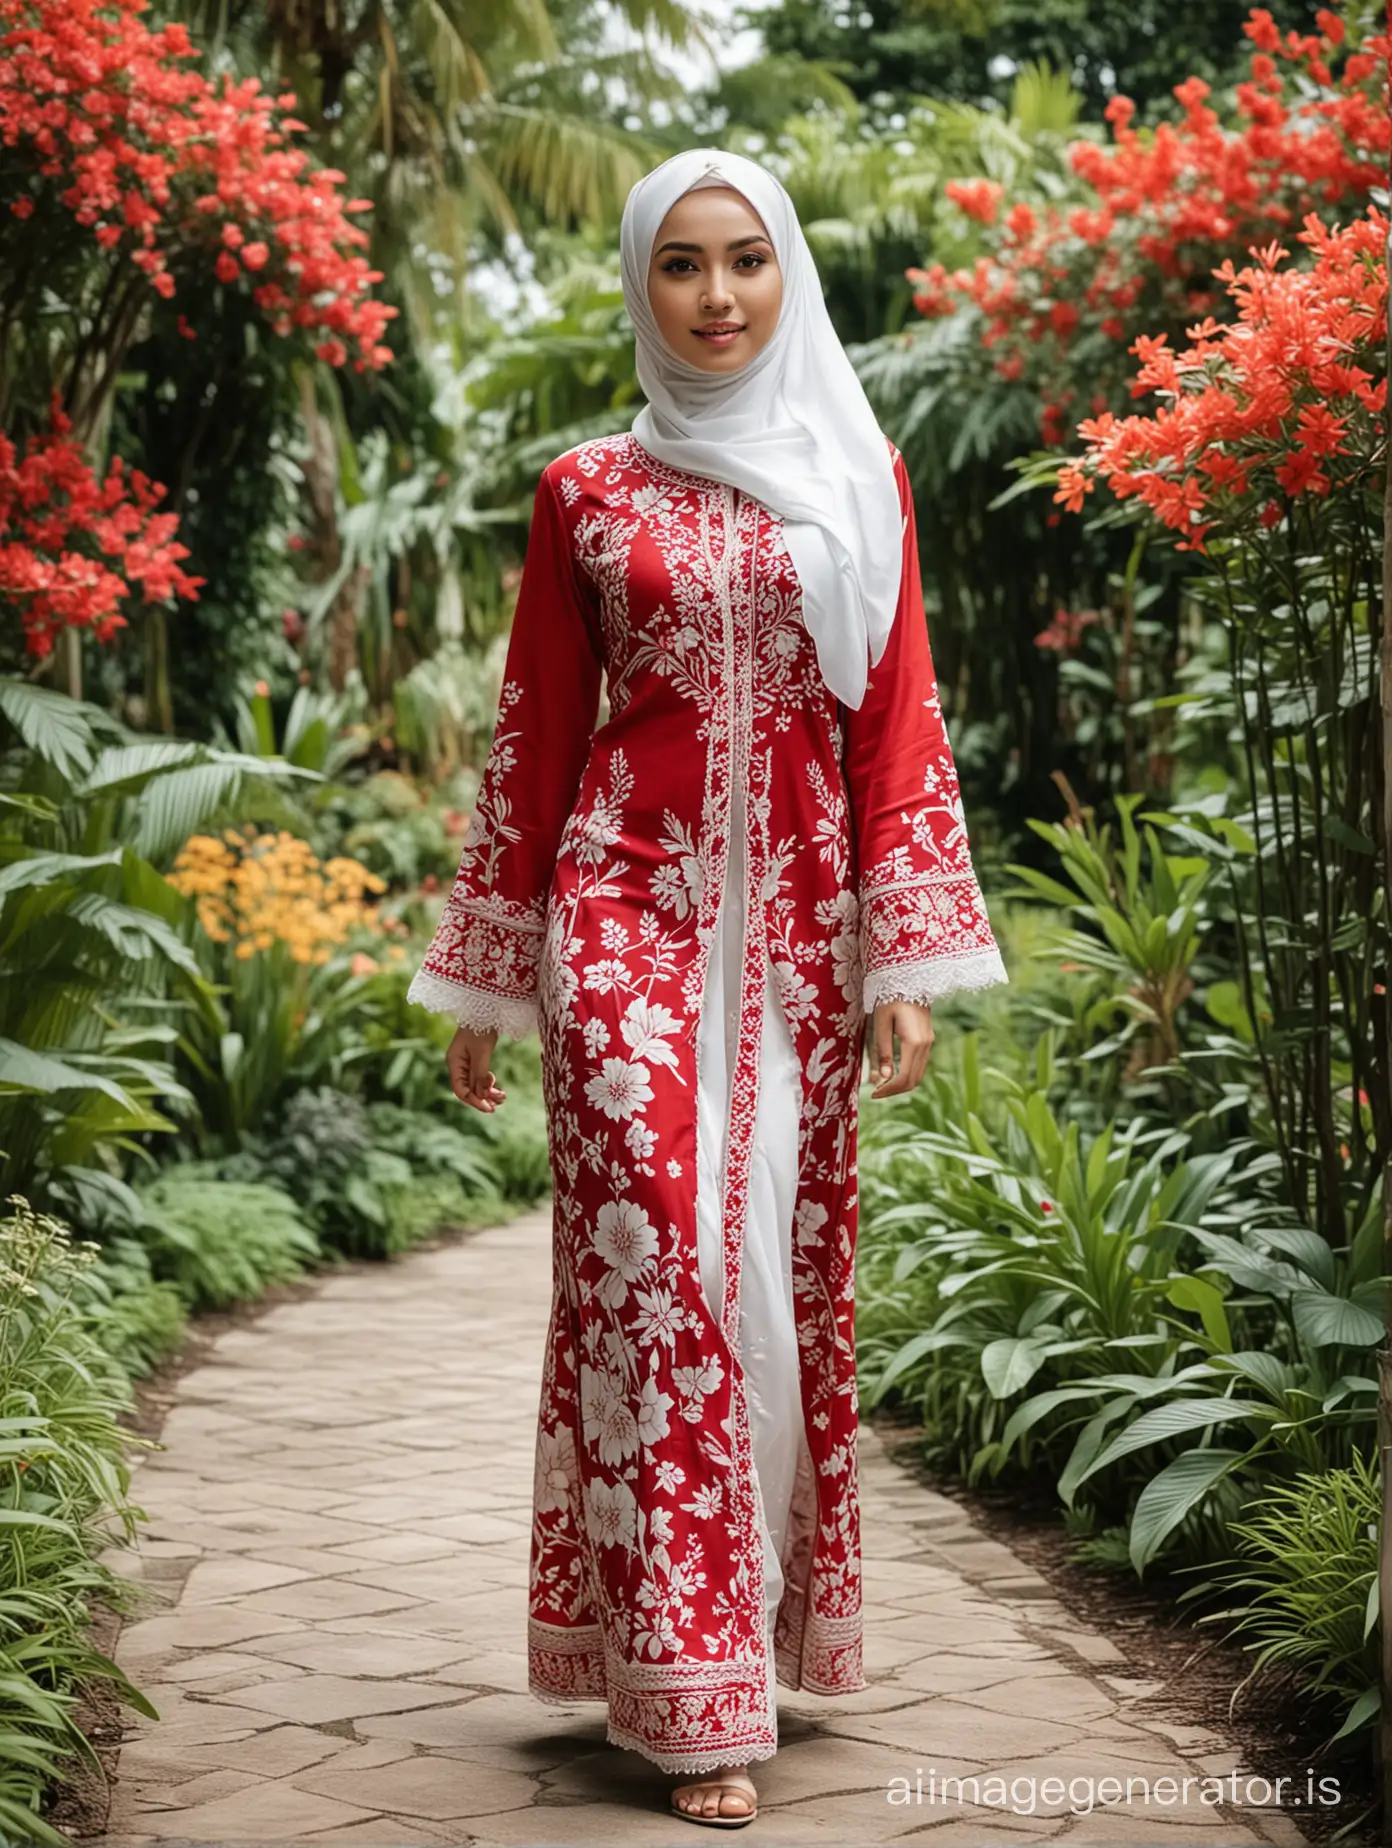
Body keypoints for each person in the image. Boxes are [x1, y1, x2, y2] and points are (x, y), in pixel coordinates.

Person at [406, 147, 1009, 1829]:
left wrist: (907, 956)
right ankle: (688, 1693)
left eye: (746, 260)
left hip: (808, 939)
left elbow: (896, 725)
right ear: (640, 283)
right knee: (660, 1268)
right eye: (682, 265)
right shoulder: (586, 490)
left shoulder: (858, 475)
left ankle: (743, 1631)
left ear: (788, 273)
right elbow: (535, 732)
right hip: (624, 925)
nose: (719, 295)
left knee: (769, 1285)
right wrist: (486, 981)